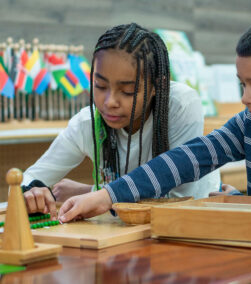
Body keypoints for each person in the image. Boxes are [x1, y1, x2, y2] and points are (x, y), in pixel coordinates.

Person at [59, 10, 251, 239]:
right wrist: (106, 196)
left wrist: (242, 205)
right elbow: (186, 159)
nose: (246, 98)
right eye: (242, 85)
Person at [22, 23, 221, 218]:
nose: (110, 102)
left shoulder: (180, 105)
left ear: (156, 87)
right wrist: (32, 192)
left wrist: (92, 193)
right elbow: (29, 179)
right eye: (100, 86)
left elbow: (177, 199)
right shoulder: (87, 122)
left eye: (127, 91)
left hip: (195, 218)